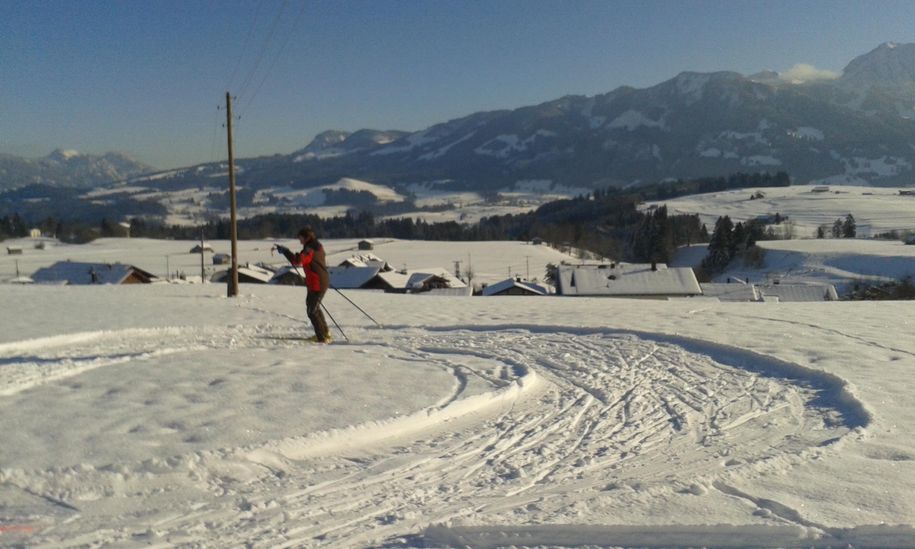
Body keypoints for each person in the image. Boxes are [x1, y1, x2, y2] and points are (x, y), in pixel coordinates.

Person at [275, 226, 331, 343]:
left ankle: (322, 337)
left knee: (312, 310)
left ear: (307, 237)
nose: (299, 241)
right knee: (313, 307)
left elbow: (299, 260)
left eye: (300, 238)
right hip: (318, 281)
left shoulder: (310, 248)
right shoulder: (317, 246)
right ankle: (325, 333)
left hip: (317, 283)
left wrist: (286, 252)